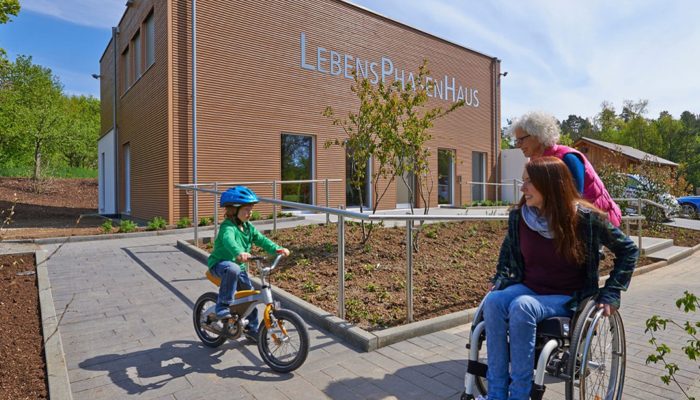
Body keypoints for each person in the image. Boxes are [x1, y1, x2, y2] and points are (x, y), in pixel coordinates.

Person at [480, 157, 637, 400]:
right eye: (523, 182)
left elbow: (628, 250)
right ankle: (497, 394)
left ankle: (519, 396)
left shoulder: (586, 219)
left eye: (529, 182)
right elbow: (507, 252)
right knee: (493, 301)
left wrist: (612, 291)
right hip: (529, 287)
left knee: (522, 307)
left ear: (551, 184)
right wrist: (500, 276)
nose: (523, 189)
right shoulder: (520, 218)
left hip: (568, 296)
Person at [509, 111, 622, 227]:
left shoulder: (568, 157)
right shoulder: (535, 162)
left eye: (521, 140)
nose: (518, 145)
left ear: (537, 134)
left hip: (596, 224)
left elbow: (575, 200)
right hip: (574, 223)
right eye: (516, 141)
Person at [207, 185, 290, 342]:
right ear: (233, 210)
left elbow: (261, 240)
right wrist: (238, 252)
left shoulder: (248, 227)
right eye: (246, 209)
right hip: (220, 265)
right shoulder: (227, 227)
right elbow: (229, 241)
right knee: (233, 267)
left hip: (240, 269)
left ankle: (251, 329)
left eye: (251, 209)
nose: (249, 213)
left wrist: (277, 249)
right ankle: (222, 306)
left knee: (251, 297)